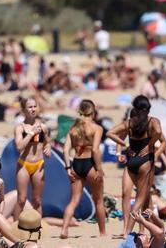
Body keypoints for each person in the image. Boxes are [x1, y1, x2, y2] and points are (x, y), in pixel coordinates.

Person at [107, 95, 166, 236]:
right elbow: (112, 134)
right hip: (133, 162)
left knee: (141, 198)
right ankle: (130, 228)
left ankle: (135, 229)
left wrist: (153, 149)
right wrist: (125, 145)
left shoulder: (151, 122)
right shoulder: (131, 123)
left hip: (146, 161)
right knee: (130, 195)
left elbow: (161, 138)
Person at [61, 99, 106, 238]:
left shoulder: (73, 129)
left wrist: (68, 168)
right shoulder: (96, 128)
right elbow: (95, 150)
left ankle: (64, 229)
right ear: (92, 111)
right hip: (90, 164)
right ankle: (102, 233)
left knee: (74, 201)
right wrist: (99, 169)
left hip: (76, 164)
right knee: (98, 200)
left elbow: (65, 149)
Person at [13, 98, 51, 219]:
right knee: (22, 199)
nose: (33, 109)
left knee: (37, 200)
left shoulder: (43, 127)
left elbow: (47, 142)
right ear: (24, 110)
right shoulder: (20, 128)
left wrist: (48, 149)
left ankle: (38, 227)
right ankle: (15, 226)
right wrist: (31, 133)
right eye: (30, 107)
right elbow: (19, 146)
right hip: (24, 164)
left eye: (35, 106)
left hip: (38, 165)